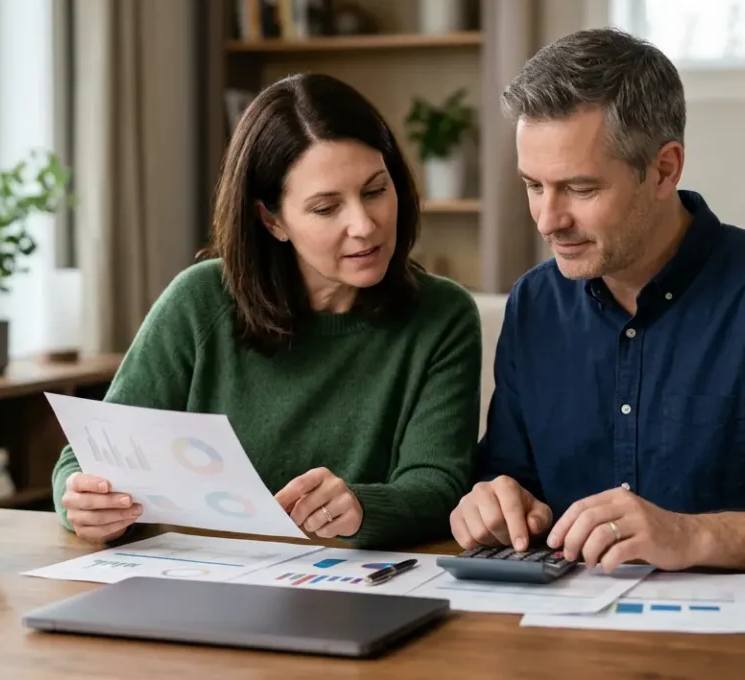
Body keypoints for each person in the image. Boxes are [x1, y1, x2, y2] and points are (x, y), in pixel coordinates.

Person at [450, 28, 745, 573]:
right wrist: (489, 502)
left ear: (665, 169)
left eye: (580, 189)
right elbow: (509, 479)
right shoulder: (534, 303)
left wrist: (691, 535)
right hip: (570, 639)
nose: (548, 220)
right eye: (534, 186)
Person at [52, 73, 482, 549]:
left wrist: (362, 507)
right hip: (200, 585)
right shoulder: (199, 302)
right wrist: (82, 503)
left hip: (353, 589)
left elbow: (440, 485)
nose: (364, 225)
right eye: (326, 208)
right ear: (272, 219)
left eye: (376, 190)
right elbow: (89, 457)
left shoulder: (443, 314)